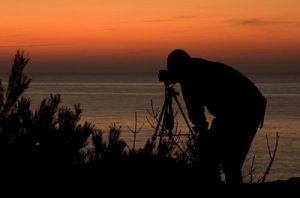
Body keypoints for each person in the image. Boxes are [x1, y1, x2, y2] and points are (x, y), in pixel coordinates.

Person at [159, 49, 267, 187]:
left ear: (177, 67)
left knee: (226, 158)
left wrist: (202, 130)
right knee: (226, 158)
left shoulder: (190, 75)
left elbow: (194, 109)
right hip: (242, 108)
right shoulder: (196, 67)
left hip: (244, 110)